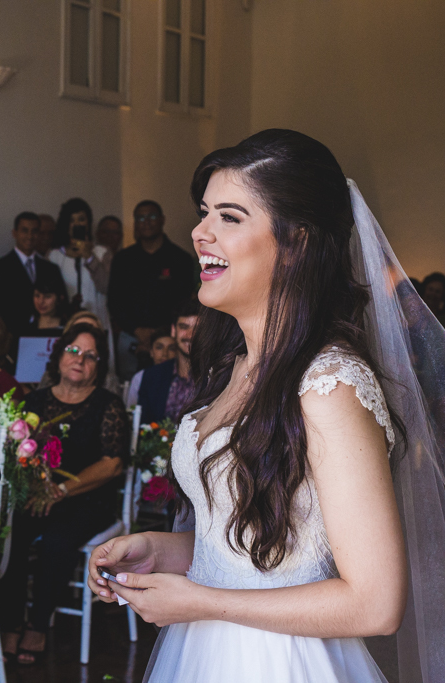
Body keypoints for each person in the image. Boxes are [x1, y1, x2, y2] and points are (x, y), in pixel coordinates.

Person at [88, 129, 445, 682]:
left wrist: (202, 602)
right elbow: (258, 547)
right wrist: (161, 550)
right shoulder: (231, 368)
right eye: (204, 212)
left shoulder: (330, 385)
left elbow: (376, 603)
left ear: (297, 241)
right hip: (202, 655)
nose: (199, 232)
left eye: (229, 217)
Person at [0, 323, 130, 666]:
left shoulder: (108, 405)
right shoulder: (33, 401)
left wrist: (61, 490)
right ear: (58, 356)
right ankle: (10, 622)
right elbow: (14, 454)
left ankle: (38, 624)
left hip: (86, 499)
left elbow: (113, 464)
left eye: (90, 356)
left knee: (56, 541)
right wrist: (34, 486)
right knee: (12, 535)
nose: (79, 360)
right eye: (73, 351)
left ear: (99, 366)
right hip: (36, 493)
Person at [107, 200, 199, 378]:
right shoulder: (123, 259)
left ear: (162, 220)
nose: (146, 222)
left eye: (151, 216)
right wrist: (136, 330)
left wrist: (159, 332)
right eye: (140, 218)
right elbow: (114, 300)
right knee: (129, 387)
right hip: (130, 336)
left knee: (169, 384)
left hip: (168, 336)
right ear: (135, 223)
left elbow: (184, 300)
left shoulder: (180, 259)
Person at [0, 211, 65, 347]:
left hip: (46, 340)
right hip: (12, 342)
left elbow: (61, 304)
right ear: (14, 233)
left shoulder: (51, 269)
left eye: (34, 231)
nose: (29, 236)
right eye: (24, 231)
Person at [129, 299, 200, 422]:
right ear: (174, 330)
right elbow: (141, 429)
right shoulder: (150, 377)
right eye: (184, 327)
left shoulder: (217, 377)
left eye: (196, 329)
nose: (190, 335)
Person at [49, 198, 111, 327]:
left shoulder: (102, 253)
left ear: (88, 223)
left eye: (81, 219)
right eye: (72, 220)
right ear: (66, 225)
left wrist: (90, 257)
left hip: (97, 322)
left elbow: (107, 287)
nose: (77, 224)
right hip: (66, 324)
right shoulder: (54, 255)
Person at [125, 329, 178, 408]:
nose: (165, 354)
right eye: (159, 348)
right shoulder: (140, 377)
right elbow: (131, 409)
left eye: (171, 349)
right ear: (151, 352)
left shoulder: (182, 378)